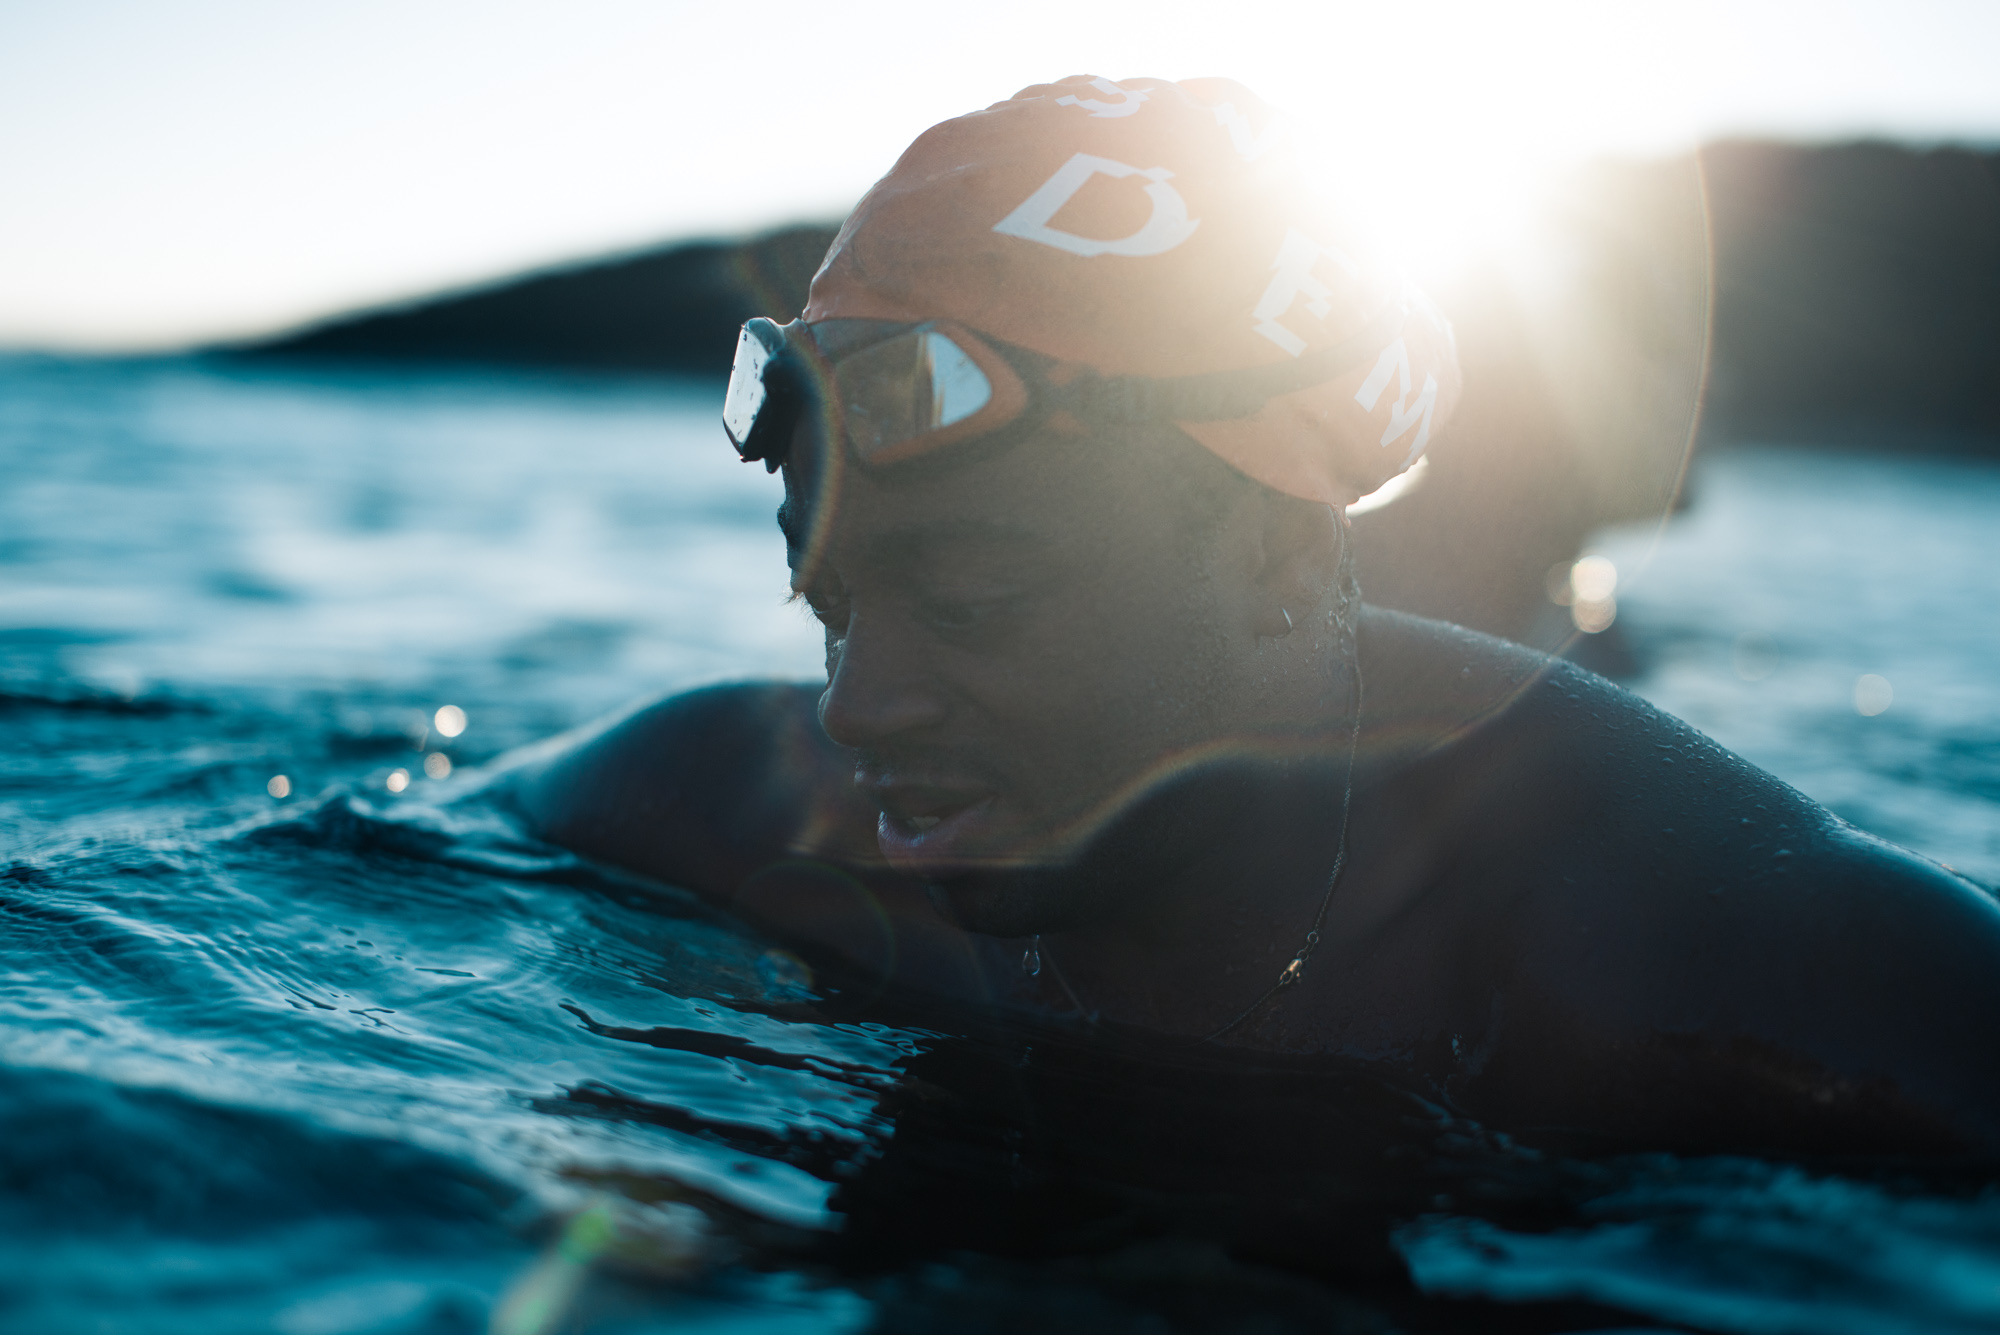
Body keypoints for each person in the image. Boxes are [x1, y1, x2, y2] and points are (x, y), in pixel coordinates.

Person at [502, 76, 2000, 1157]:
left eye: (970, 600)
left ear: (1285, 552)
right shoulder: (721, 803)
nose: (858, 704)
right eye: (830, 607)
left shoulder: (1678, 951)